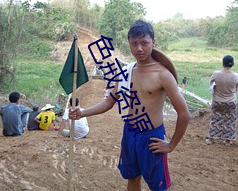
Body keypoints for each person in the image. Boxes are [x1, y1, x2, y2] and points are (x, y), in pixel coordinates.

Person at [69, 20, 190, 191]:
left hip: (152, 137)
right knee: (132, 179)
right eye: (134, 44)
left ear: (153, 43)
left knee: (158, 186)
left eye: (144, 43)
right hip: (130, 133)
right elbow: (109, 101)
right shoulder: (126, 72)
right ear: (129, 44)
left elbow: (184, 113)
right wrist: (83, 112)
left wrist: (171, 145)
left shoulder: (163, 75)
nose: (139, 48)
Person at [206, 55, 238, 147]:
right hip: (230, 102)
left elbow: (211, 84)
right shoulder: (236, 76)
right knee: (229, 121)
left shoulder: (216, 74)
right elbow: (236, 89)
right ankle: (228, 141)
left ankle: (211, 139)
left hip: (217, 101)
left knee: (215, 120)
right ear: (232, 64)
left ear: (223, 63)